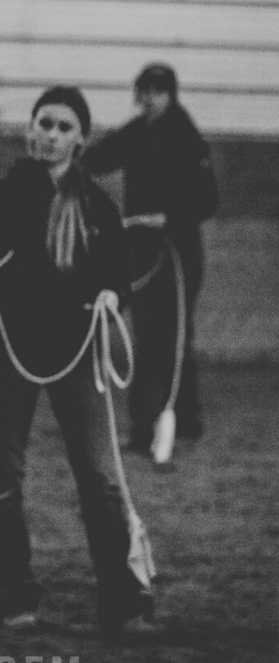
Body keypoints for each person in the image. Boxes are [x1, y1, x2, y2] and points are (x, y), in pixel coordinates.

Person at [0, 86, 155, 634]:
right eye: (43, 123)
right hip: (13, 351)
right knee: (4, 476)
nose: (50, 135)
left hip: (78, 353)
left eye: (62, 126)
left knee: (101, 477)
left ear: (81, 138)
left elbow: (116, 273)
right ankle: (14, 598)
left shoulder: (98, 206)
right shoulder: (3, 198)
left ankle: (123, 604)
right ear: (30, 129)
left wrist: (111, 296)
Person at [82, 62, 218, 451]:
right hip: (143, 251)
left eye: (157, 92)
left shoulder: (187, 138)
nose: (150, 99)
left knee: (174, 335)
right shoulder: (137, 133)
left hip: (178, 251)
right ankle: (152, 422)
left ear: (169, 95)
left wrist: (168, 217)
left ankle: (177, 417)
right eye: (146, 91)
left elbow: (207, 199)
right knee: (151, 334)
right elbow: (100, 157)